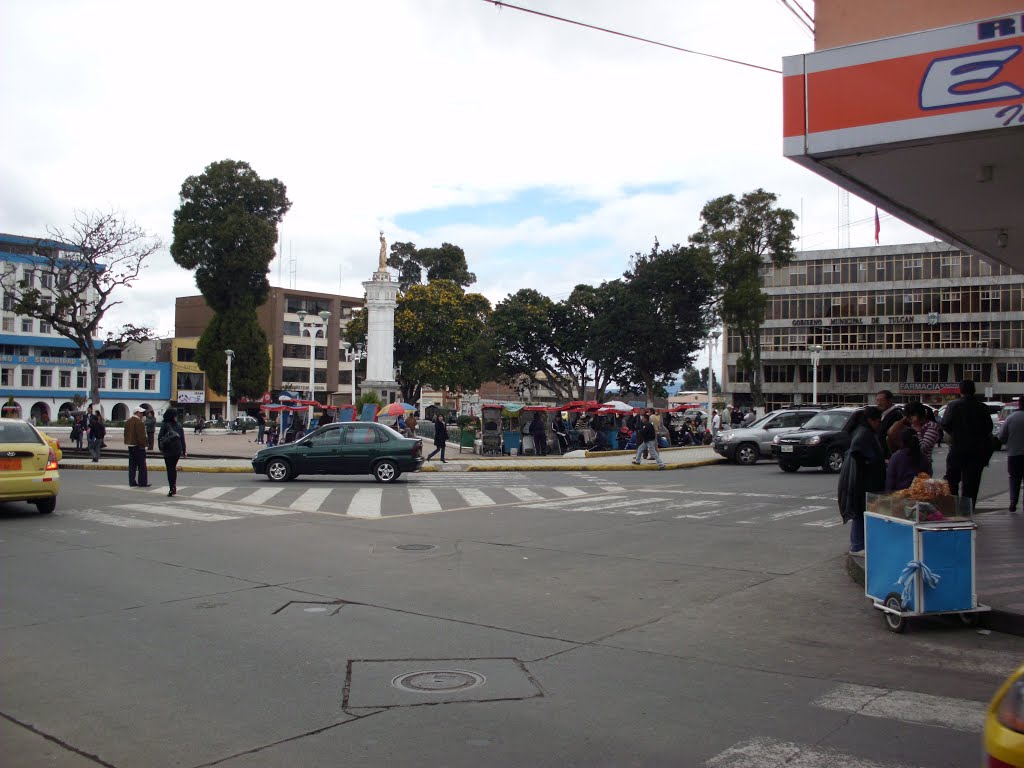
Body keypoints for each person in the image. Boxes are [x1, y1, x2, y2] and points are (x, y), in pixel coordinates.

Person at [940, 379, 995, 510]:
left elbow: (945, 424)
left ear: (960, 391)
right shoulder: (982, 407)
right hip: (977, 451)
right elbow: (988, 428)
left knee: (952, 479)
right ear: (974, 390)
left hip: (958, 448)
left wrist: (956, 433)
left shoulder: (953, 405)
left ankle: (953, 508)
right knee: (971, 483)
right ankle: (967, 510)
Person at [838, 406, 885, 554]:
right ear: (871, 420)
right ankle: (857, 545)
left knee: (862, 511)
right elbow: (857, 452)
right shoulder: (864, 433)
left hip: (864, 478)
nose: (879, 424)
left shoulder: (865, 431)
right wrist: (870, 462)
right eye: (878, 421)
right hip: (862, 480)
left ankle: (860, 544)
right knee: (860, 511)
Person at [888, 401, 941, 474]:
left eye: (911, 416)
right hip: (905, 463)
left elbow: (922, 449)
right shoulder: (909, 425)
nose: (909, 419)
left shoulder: (931, 426)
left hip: (921, 466)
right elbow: (891, 435)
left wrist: (918, 430)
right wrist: (901, 422)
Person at [998, 396, 1024, 513]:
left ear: (1019, 404)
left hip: (1014, 454)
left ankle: (1013, 502)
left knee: (1014, 479)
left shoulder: (1011, 418)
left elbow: (1002, 436)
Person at [158, 409, 187, 497]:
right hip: (177, 450)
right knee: (173, 468)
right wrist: (184, 450)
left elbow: (160, 437)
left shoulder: (164, 425)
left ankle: (172, 487)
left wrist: (160, 448)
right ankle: (173, 485)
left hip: (168, 450)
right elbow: (182, 438)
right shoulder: (178, 426)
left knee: (170, 468)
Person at [124, 406, 150, 488]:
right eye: (141, 413)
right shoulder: (139, 423)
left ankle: (132, 482)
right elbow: (141, 436)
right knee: (142, 466)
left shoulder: (128, 422)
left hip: (130, 446)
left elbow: (126, 434)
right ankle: (142, 482)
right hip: (138, 447)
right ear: (137, 413)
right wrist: (145, 445)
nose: (142, 414)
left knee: (132, 466)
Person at [875, 389, 904, 459]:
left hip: (890, 457)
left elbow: (894, 438)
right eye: (877, 400)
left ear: (890, 401)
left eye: (882, 400)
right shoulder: (881, 414)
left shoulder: (896, 415)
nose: (879, 403)